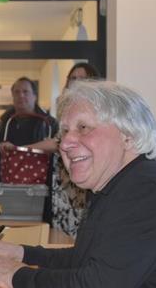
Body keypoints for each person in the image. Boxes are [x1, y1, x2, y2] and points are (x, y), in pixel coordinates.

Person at [0, 80, 156, 288]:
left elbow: (98, 284)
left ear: (128, 135)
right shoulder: (117, 185)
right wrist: (19, 253)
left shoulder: (146, 189)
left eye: (83, 127)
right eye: (65, 132)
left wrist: (15, 275)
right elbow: (84, 258)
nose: (66, 143)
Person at [0, 77, 58, 223]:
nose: (21, 96)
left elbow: (57, 152)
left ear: (35, 96)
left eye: (25, 91)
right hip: (5, 193)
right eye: (16, 92)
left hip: (40, 194)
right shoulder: (2, 126)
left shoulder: (49, 125)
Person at [52, 62, 101, 237]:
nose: (77, 83)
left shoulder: (100, 109)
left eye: (83, 78)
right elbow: (58, 140)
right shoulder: (63, 107)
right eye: (73, 78)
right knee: (63, 221)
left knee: (83, 223)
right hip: (63, 173)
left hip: (85, 169)